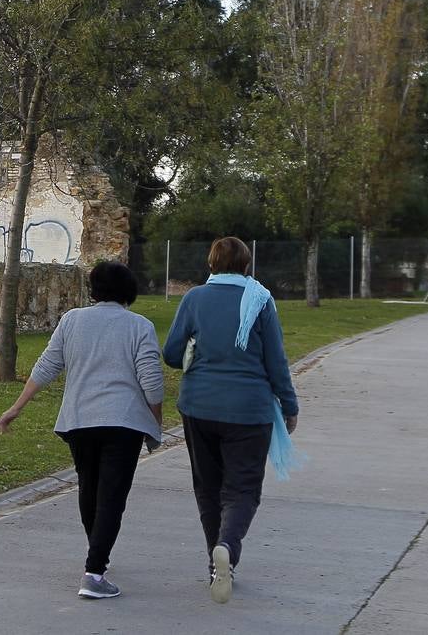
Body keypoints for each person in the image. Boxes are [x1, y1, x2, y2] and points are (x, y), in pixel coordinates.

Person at [0, 260, 163, 600]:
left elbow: (47, 366)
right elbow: (152, 382)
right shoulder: (140, 326)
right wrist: (155, 420)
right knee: (112, 496)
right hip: (123, 423)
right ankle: (94, 572)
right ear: (129, 291)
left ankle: (96, 554)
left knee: (90, 488)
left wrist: (16, 407)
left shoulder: (72, 320)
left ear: (94, 290)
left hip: (79, 421)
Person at [162, 236, 299, 604]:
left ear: (211, 263)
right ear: (246, 265)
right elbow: (276, 360)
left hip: (198, 407)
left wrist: (195, 349)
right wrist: (289, 405)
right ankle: (227, 546)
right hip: (249, 412)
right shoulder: (261, 300)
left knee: (208, 487)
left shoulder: (194, 299)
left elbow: (171, 353)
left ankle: (215, 562)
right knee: (243, 489)